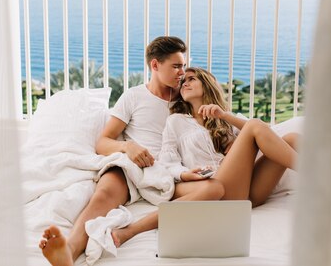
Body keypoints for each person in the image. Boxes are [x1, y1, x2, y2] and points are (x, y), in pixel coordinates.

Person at [38, 37, 223, 266]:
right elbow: (103, 142)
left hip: (170, 173)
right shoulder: (134, 96)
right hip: (134, 168)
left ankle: (132, 229)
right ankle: (69, 249)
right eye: (176, 66)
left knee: (213, 189)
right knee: (103, 195)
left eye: (183, 66)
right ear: (155, 65)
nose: (182, 73)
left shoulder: (186, 96)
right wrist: (127, 146)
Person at [109, 67, 300, 247]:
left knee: (291, 138)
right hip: (222, 189)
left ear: (207, 83)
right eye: (183, 81)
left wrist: (224, 116)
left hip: (250, 191)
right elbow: (168, 162)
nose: (184, 83)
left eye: (192, 79)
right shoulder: (176, 121)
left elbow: (267, 134)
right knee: (253, 127)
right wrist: (185, 174)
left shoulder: (224, 119)